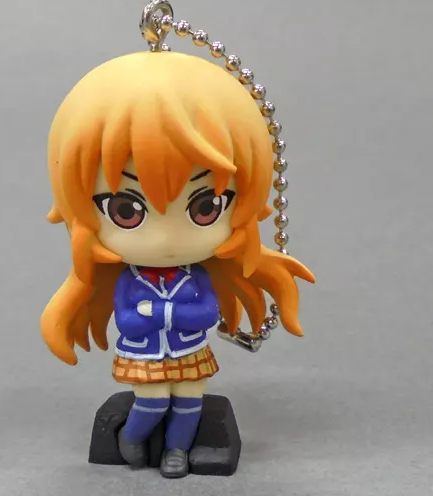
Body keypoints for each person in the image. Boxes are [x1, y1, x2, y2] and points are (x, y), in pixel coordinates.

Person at [41, 51, 315, 478]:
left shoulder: (195, 276)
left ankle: (176, 451)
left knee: (189, 401)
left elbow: (206, 313)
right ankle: (132, 437)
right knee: (151, 401)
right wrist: (167, 313)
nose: (165, 239)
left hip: (188, 350)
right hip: (147, 355)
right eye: (126, 211)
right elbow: (128, 322)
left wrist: (159, 312)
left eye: (206, 207)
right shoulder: (131, 280)